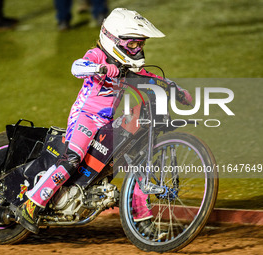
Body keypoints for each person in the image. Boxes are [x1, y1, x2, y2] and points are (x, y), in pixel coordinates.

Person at [15, 8, 192, 237]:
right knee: (73, 158)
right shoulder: (98, 55)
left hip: (105, 122)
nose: (137, 50)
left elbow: (151, 78)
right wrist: (100, 68)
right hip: (84, 117)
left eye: (140, 45)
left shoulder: (126, 67)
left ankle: (142, 218)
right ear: (113, 39)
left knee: (137, 160)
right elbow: (77, 67)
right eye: (132, 45)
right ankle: (31, 205)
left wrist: (173, 87)